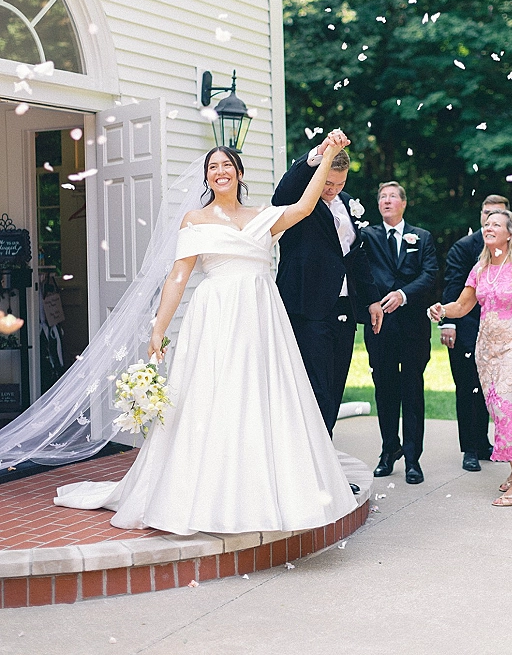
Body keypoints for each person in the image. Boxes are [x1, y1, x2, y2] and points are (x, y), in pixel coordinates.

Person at [54, 140, 358, 535]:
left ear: (239, 173)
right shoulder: (194, 220)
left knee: (263, 396)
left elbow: (303, 207)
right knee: (214, 395)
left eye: (227, 165)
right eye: (213, 167)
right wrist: (158, 329)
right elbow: (178, 276)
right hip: (216, 314)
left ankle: (264, 492)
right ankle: (205, 494)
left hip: (262, 315)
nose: (220, 171)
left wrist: (327, 156)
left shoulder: (263, 215)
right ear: (207, 177)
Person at [428, 209, 512, 507]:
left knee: (508, 404)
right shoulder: (480, 269)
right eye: (486, 223)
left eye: (496, 224)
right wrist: (442, 310)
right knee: (502, 409)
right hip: (487, 350)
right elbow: (462, 306)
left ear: (510, 233)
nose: (488, 227)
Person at [272, 132, 383, 435]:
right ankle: (317, 469)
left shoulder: (347, 204)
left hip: (345, 306)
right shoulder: (299, 199)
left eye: (340, 184)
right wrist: (317, 154)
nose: (333, 191)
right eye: (328, 183)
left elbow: (356, 256)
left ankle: (328, 462)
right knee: (316, 388)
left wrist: (371, 299)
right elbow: (280, 196)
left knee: (335, 386)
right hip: (309, 306)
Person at [361, 181, 438, 484]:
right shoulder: (367, 236)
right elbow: (360, 273)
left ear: (404, 203)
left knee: (412, 390)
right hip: (379, 327)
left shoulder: (422, 237)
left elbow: (430, 274)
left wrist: (403, 295)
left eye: (393, 196)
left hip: (413, 328)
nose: (387, 201)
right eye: (382, 197)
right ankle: (388, 449)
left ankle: (412, 459)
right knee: (384, 389)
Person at [440, 195, 509, 472]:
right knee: (467, 387)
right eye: (488, 213)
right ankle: (469, 448)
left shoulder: (510, 251)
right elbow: (453, 286)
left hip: (499, 330)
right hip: (466, 327)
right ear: (481, 216)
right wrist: (448, 323)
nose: (491, 218)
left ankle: (483, 442)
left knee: (487, 390)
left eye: (498, 214)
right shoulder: (464, 248)